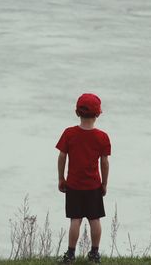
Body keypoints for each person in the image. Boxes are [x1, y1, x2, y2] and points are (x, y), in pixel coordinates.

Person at [55, 93, 111, 264]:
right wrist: (104, 184)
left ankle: (70, 254)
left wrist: (61, 178)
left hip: (73, 185)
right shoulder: (102, 137)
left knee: (75, 220)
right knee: (95, 219)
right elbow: (105, 163)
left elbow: (62, 157)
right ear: (98, 114)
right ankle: (94, 253)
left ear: (76, 112)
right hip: (93, 185)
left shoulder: (69, 133)